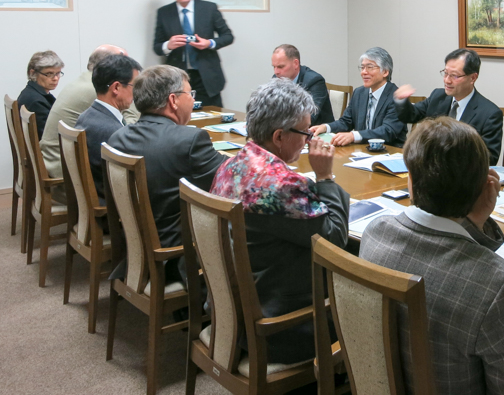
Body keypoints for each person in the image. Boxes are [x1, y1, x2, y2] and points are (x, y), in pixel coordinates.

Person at [360, 117, 504, 395]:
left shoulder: (375, 232)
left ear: (410, 181)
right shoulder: (498, 283)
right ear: (483, 188)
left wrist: (475, 223)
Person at [210, 78, 349, 364]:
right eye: (304, 132)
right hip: (280, 326)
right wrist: (324, 177)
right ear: (278, 137)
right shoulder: (282, 185)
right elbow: (335, 240)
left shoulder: (231, 164)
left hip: (229, 311)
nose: (309, 140)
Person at [107, 65, 227, 283]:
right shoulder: (188, 141)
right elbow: (232, 177)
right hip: (177, 256)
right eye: (190, 94)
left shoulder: (117, 137)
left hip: (136, 248)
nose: (192, 100)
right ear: (173, 100)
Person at [41, 44, 140, 180]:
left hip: (59, 162)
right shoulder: (94, 91)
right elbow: (126, 130)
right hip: (61, 171)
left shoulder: (85, 82)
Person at [393, 48, 503, 165]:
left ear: (473, 78)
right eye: (445, 73)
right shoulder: (438, 96)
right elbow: (410, 116)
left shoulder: (489, 113)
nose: (447, 80)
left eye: (454, 76)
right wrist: (401, 100)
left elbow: (489, 159)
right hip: (430, 170)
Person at [153, 0, 234, 108]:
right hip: (178, 77)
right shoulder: (164, 13)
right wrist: (169, 45)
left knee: (212, 116)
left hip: (207, 75)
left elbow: (228, 36)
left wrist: (209, 43)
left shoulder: (209, 8)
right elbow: (157, 47)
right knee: (181, 118)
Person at [75, 54, 142, 201]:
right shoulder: (113, 132)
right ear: (116, 87)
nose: (137, 92)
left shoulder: (87, 115)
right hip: (112, 207)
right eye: (134, 86)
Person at [311, 47, 406, 147]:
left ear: (385, 72)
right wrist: (325, 127)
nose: (363, 72)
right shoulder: (359, 93)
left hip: (389, 152)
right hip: (362, 152)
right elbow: (346, 122)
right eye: (362, 67)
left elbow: (388, 131)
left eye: (370, 67)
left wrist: (353, 136)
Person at [271, 44, 334, 125]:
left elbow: (310, 117)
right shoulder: (276, 78)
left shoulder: (315, 81)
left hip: (317, 132)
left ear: (295, 64)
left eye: (281, 67)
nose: (276, 72)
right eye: (274, 67)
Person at [18, 50, 64, 139]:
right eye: (49, 74)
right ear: (32, 73)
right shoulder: (36, 102)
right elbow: (50, 137)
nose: (55, 78)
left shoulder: (30, 92)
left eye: (58, 73)